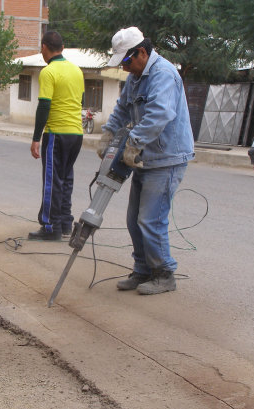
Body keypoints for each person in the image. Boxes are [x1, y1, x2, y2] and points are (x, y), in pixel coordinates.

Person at [100, 27, 195, 295]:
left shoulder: (163, 74)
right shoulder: (136, 76)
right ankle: (143, 270)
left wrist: (133, 143)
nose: (126, 68)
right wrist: (108, 133)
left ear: (141, 52)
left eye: (127, 61)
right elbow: (122, 108)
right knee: (134, 220)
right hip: (143, 157)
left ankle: (164, 273)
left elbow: (159, 114)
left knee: (150, 220)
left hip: (166, 158)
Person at [28, 31, 84, 241]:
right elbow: (80, 99)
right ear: (62, 47)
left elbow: (44, 105)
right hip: (76, 134)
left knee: (52, 180)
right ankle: (65, 223)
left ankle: (50, 228)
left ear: (44, 47)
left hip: (56, 134)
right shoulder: (76, 70)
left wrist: (36, 137)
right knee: (66, 178)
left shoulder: (49, 71)